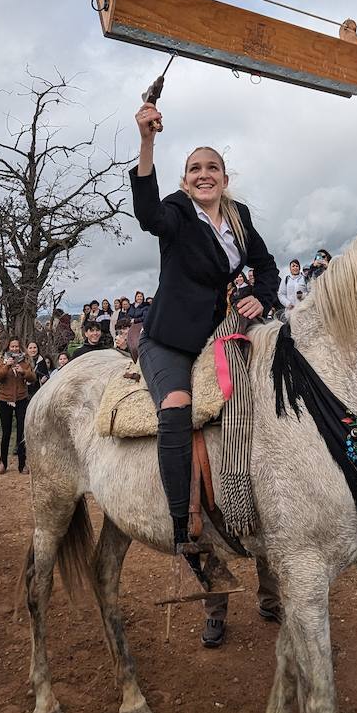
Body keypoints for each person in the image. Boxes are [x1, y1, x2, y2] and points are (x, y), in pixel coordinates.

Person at [131, 98, 281, 596]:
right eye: (195, 168)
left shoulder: (238, 217)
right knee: (176, 411)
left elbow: (267, 263)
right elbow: (147, 213)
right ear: (185, 179)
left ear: (224, 176)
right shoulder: (176, 211)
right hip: (169, 340)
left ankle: (258, 514)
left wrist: (262, 297)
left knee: (266, 400)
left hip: (221, 336)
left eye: (212, 167)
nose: (204, 174)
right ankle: (184, 532)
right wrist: (147, 141)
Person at [0, 337, 35, 474]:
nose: (15, 349)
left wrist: (24, 372)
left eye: (17, 346)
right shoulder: (1, 359)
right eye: (12, 346)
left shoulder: (25, 360)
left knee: (21, 433)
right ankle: (3, 462)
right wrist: (7, 366)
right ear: (8, 348)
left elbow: (33, 378)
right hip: (4, 400)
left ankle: (22, 464)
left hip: (21, 399)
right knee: (6, 432)